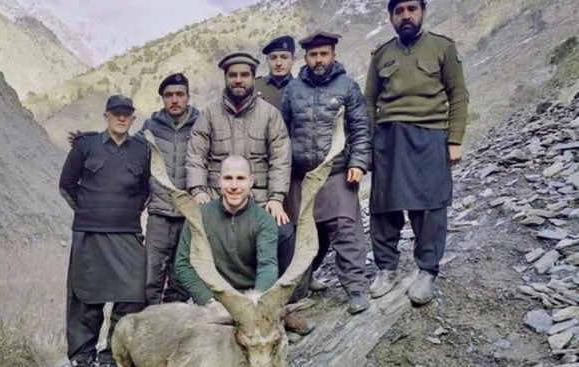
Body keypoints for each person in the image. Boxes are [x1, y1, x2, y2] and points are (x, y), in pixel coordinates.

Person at [364, 0, 468, 305]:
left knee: (431, 208)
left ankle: (427, 271)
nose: (406, 15)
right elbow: (369, 101)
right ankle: (386, 268)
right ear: (391, 17)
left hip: (430, 137)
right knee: (384, 207)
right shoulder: (381, 54)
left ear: (423, 11)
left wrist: (455, 139)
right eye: (399, 11)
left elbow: (458, 95)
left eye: (411, 8)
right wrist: (369, 143)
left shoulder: (443, 48)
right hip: (388, 139)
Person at [59, 95, 149, 367]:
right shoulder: (85, 146)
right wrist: (89, 213)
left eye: (126, 114)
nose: (121, 119)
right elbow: (66, 185)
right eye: (116, 114)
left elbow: (146, 191)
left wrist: (125, 214)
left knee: (134, 294)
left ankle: (113, 355)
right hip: (89, 233)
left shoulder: (142, 150)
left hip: (126, 233)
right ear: (106, 116)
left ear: (133, 118)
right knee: (85, 298)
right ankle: (82, 362)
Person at [185, 52, 298, 294]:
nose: (238, 80)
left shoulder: (269, 115)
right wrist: (198, 191)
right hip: (219, 200)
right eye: (233, 75)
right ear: (225, 78)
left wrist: (276, 198)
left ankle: (282, 303)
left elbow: (280, 158)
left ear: (253, 78)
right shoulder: (209, 115)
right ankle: (214, 300)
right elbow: (196, 155)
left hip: (260, 201)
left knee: (285, 234)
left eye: (244, 75)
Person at [281, 32, 372, 314]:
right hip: (301, 178)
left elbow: (360, 128)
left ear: (333, 55)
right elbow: (282, 134)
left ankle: (356, 289)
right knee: (301, 237)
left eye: (324, 54)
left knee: (346, 232)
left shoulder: (347, 87)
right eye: (313, 55)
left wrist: (357, 162)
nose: (318, 60)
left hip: (336, 174)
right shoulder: (293, 90)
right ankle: (297, 292)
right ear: (305, 58)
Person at [175, 155, 278, 307]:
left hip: (249, 298)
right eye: (228, 178)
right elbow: (183, 265)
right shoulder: (198, 216)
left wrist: (257, 299)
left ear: (251, 181)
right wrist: (207, 300)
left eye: (240, 178)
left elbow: (268, 266)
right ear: (219, 180)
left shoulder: (264, 220)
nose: (234, 185)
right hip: (212, 300)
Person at [142, 73, 198, 305]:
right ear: (163, 99)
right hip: (159, 214)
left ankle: (173, 330)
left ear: (187, 96)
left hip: (189, 215)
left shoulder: (201, 124)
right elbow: (126, 145)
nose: (174, 100)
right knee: (150, 276)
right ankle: (149, 327)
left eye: (179, 94)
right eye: (169, 96)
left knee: (181, 279)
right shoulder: (150, 127)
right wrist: (96, 138)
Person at [255, 35, 296, 109]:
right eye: (273, 58)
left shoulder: (302, 88)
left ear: (293, 60)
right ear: (267, 60)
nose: (278, 63)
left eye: (284, 57)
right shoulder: (255, 86)